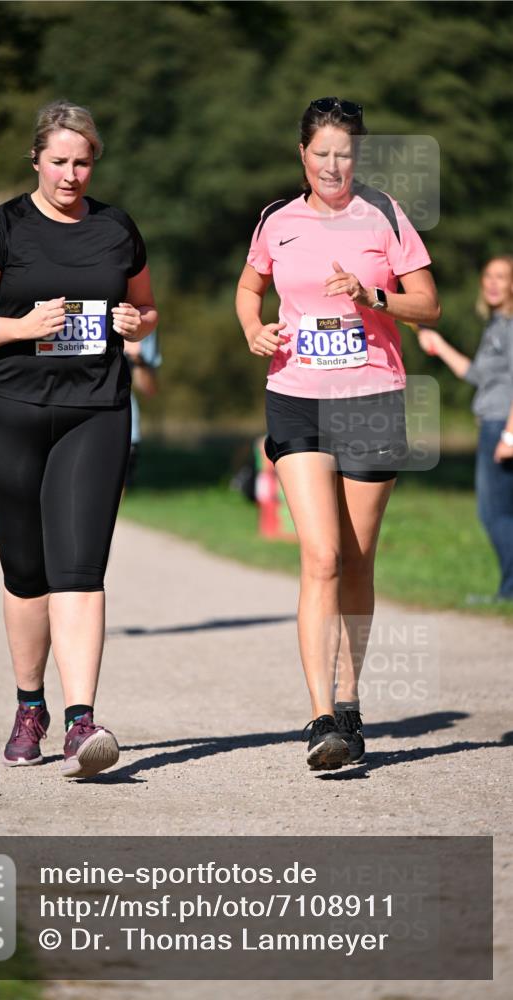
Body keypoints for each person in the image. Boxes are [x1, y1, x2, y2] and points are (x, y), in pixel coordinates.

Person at [0, 100, 157, 778]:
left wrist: (135, 323)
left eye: (82, 161)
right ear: (36, 160)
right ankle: (29, 705)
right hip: (7, 411)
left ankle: (80, 720)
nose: (70, 174)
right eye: (58, 161)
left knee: (80, 566)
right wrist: (21, 325)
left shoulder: (117, 227)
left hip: (95, 409)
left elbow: (147, 308)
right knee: (26, 570)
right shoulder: (1, 227)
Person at [235, 97, 441, 771]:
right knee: (319, 555)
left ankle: (351, 705)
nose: (332, 165)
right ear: (302, 153)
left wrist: (371, 296)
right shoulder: (275, 219)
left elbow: (427, 304)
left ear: (358, 156)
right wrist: (252, 327)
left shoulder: (381, 214)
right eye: (320, 152)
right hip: (295, 397)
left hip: (372, 398)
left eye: (344, 153)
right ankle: (320, 716)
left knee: (356, 560)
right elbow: (248, 289)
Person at [418, 255, 513, 601]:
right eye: (488, 276)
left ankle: (509, 592)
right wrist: (439, 345)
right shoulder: (497, 326)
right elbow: (476, 376)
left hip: (502, 427)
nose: (492, 283)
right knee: (499, 511)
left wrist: (510, 435)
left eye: (501, 277)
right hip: (495, 424)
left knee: (494, 512)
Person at [123, 330, 161, 488]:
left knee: (108, 501)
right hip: (64, 416)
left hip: (123, 426)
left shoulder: (140, 320)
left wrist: (137, 359)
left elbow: (149, 389)